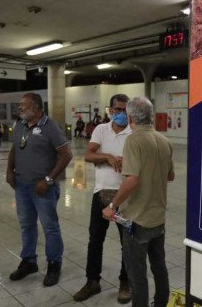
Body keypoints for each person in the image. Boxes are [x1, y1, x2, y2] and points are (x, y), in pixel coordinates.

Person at [102, 97, 175, 307]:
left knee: (137, 275)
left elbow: (132, 180)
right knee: (159, 266)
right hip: (158, 218)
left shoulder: (133, 140)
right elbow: (169, 176)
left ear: (131, 116)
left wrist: (112, 206)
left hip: (136, 221)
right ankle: (161, 303)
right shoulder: (164, 140)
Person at [6, 93, 72, 287]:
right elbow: (14, 149)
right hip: (22, 186)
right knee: (27, 225)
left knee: (50, 227)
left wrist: (49, 179)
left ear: (36, 107)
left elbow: (66, 155)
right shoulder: (20, 125)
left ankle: (54, 264)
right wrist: (9, 170)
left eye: (23, 105)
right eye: (19, 105)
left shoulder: (50, 126)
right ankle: (29, 261)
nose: (19, 108)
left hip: (43, 188)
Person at [73, 94, 132, 303]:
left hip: (126, 197)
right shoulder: (101, 130)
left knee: (128, 242)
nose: (121, 114)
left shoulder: (133, 133)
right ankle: (92, 281)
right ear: (110, 110)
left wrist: (126, 162)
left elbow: (140, 164)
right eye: (118, 109)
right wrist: (106, 156)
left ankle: (126, 282)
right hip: (101, 194)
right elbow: (88, 155)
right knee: (95, 239)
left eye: (125, 110)